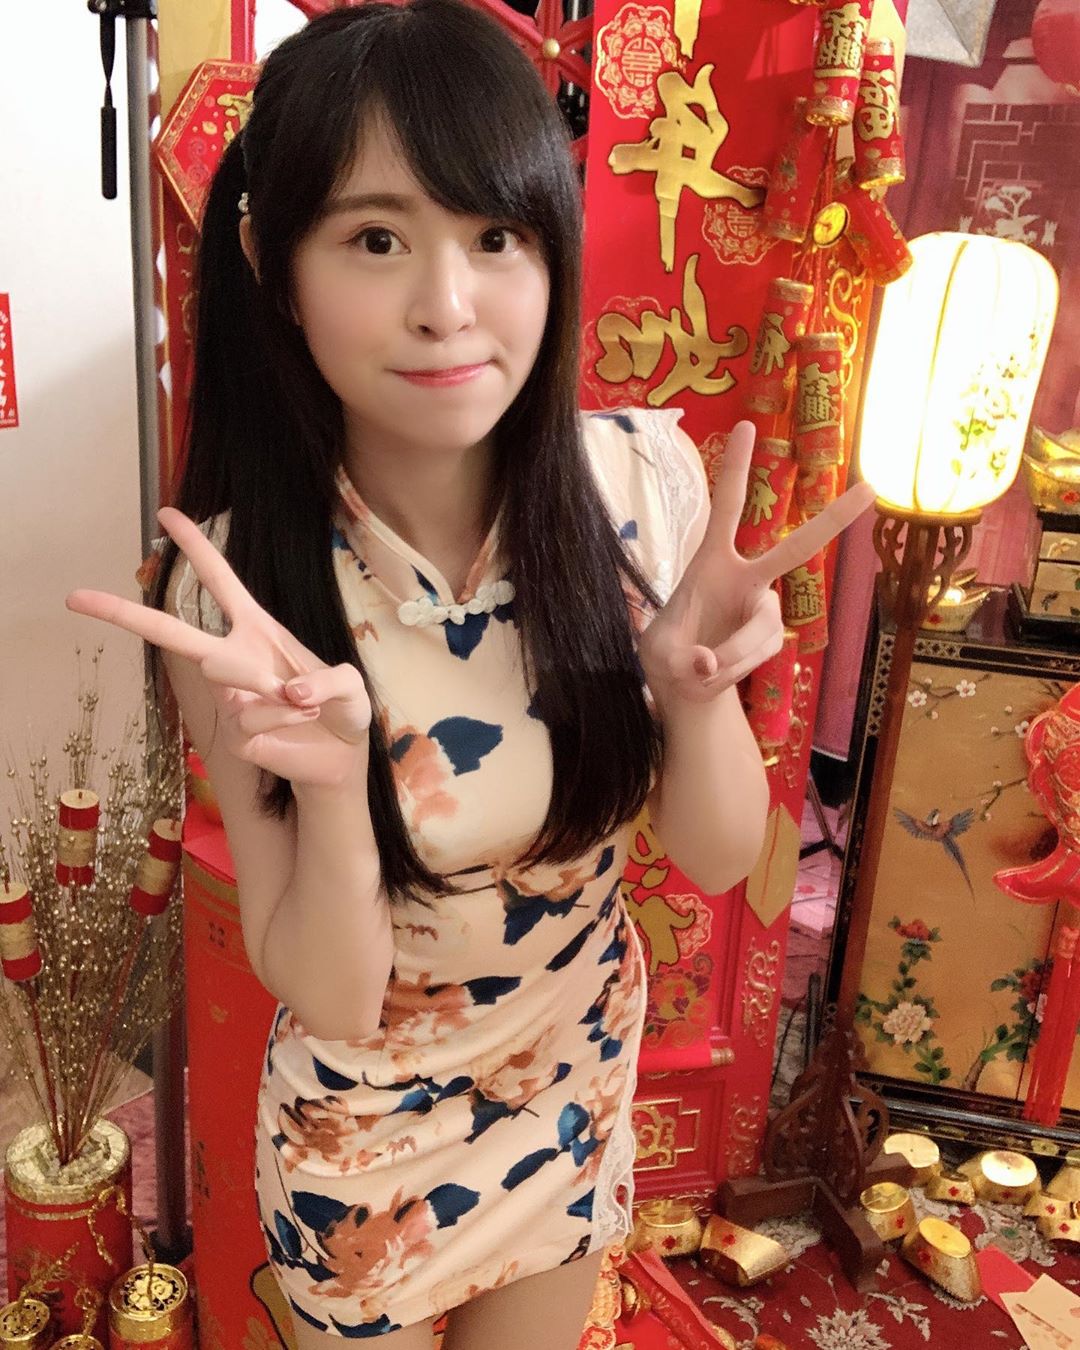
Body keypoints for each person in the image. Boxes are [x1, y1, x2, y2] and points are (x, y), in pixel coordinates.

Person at [66, 2, 875, 1345]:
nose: (447, 308)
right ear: (275, 264)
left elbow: (720, 853)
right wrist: (337, 788)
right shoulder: (236, 590)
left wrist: (691, 696)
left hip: (571, 1088)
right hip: (365, 1147)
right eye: (376, 239)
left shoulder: (639, 486)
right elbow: (329, 992)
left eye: (495, 236)